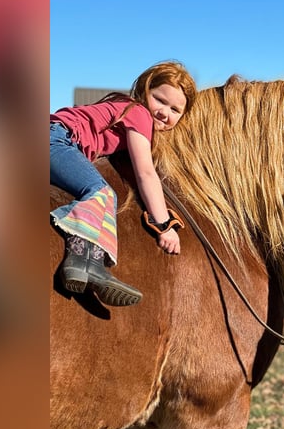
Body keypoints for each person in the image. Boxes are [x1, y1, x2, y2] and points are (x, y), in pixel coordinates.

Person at [50, 61, 197, 306]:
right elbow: (145, 173)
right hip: (55, 140)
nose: (164, 112)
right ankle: (83, 262)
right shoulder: (139, 113)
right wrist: (163, 224)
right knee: (101, 193)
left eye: (175, 110)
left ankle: (87, 263)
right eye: (159, 100)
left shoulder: (124, 110)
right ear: (144, 91)